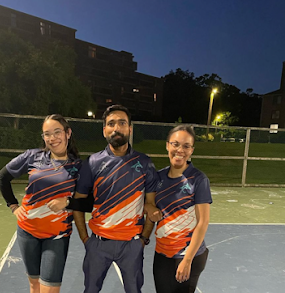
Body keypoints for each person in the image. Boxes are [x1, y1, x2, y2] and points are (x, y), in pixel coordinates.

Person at [73, 104, 162, 293]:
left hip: (132, 245)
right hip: (98, 244)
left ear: (130, 128)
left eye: (122, 123)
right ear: (104, 130)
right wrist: (85, 239)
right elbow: (78, 203)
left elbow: (150, 204)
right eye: (111, 123)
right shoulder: (92, 163)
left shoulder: (144, 163)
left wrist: (143, 239)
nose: (116, 128)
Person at [0, 114, 90, 293]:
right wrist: (13, 206)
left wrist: (68, 202)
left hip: (57, 235)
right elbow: (2, 177)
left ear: (68, 133)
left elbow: (89, 202)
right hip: (27, 231)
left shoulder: (79, 167)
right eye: (47, 134)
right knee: (34, 285)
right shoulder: (33, 156)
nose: (52, 138)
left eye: (57, 132)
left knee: (49, 290)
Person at [153, 125, 212, 293]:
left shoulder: (199, 180)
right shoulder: (158, 178)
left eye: (186, 146)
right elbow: (146, 203)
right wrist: (150, 207)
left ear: (192, 150)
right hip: (162, 255)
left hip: (188, 256)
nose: (180, 150)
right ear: (167, 145)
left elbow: (203, 222)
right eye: (175, 144)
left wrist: (187, 260)